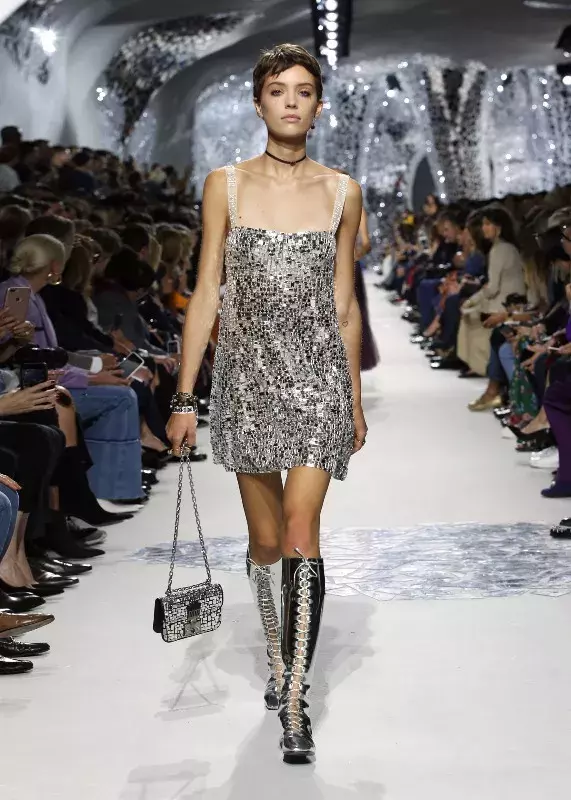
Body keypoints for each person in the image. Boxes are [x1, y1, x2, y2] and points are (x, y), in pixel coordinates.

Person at [166, 43, 366, 765]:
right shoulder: (224, 185)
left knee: (301, 532)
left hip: (317, 379)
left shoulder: (343, 191)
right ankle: (279, 660)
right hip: (246, 380)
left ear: (318, 105)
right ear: (258, 103)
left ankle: (294, 696)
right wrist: (185, 395)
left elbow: (345, 304)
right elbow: (205, 291)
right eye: (278, 90)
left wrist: (353, 398)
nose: (290, 102)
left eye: (303, 91)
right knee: (264, 540)